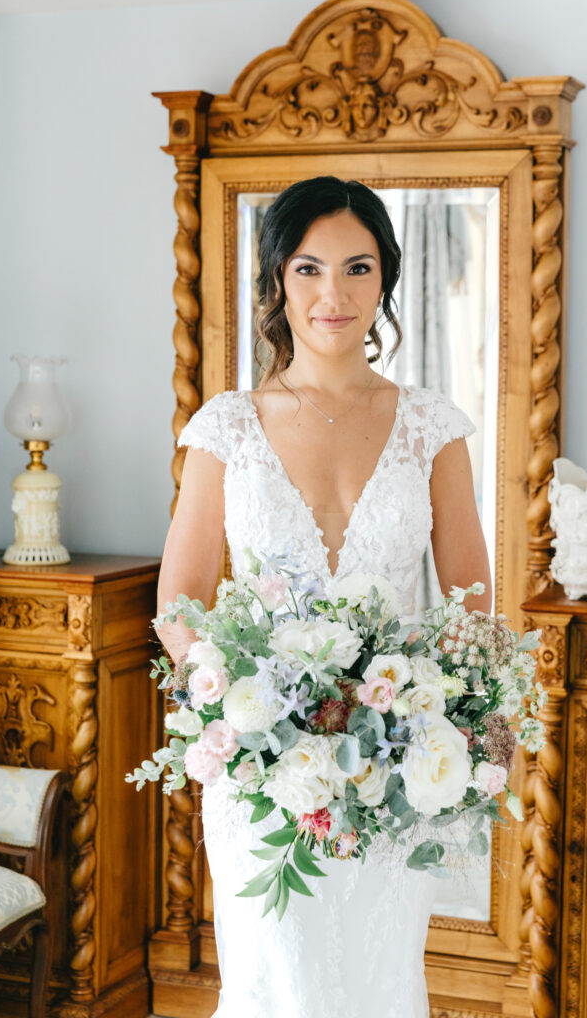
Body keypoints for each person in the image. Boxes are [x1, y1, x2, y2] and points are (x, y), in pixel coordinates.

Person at [156, 175, 492, 1017]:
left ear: (384, 280)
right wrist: (244, 710)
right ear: (276, 282)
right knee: (278, 979)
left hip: (396, 769)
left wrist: (455, 721)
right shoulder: (227, 427)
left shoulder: (430, 426)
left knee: (378, 980)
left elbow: (470, 600)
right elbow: (179, 602)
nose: (331, 294)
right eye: (307, 269)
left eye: (356, 268)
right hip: (262, 777)